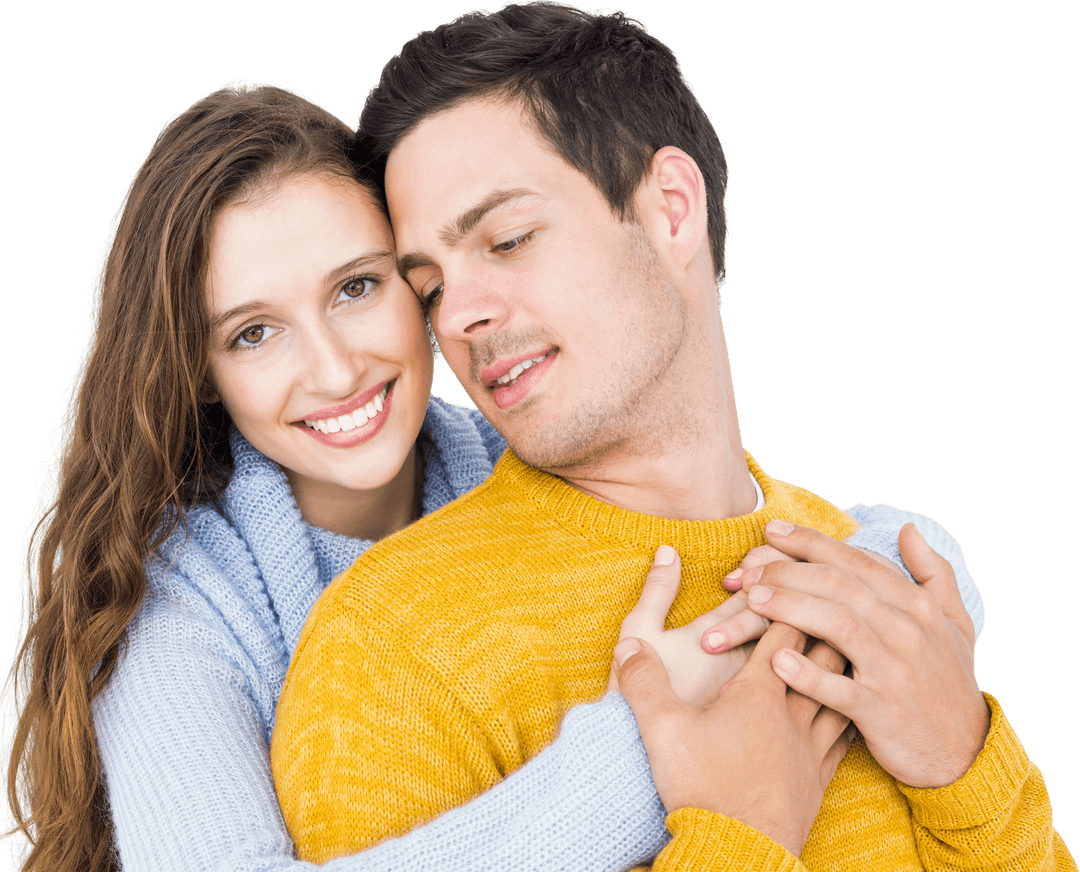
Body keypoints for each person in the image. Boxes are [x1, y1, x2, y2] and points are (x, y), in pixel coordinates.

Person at [0, 81, 968, 872]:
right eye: (253, 333)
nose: (335, 369)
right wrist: (648, 752)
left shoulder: (531, 458)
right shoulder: (181, 602)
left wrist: (917, 567)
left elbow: (746, 518)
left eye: (358, 286)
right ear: (199, 373)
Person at [270, 3, 1075, 870]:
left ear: (672, 208)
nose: (459, 317)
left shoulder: (870, 581)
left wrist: (965, 765)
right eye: (428, 287)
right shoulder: (394, 651)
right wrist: (739, 839)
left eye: (508, 239)